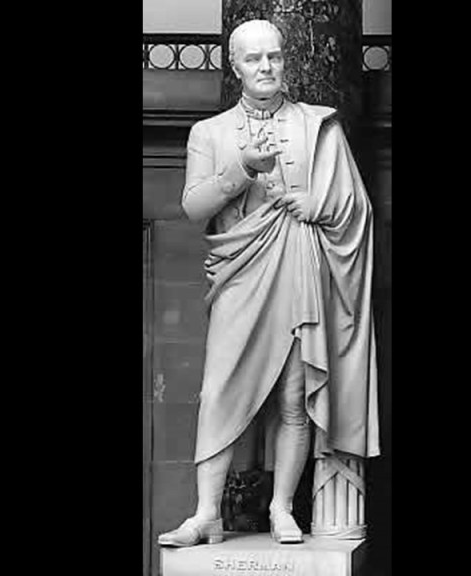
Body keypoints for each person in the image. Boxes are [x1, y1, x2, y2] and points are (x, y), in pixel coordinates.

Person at [158, 19, 379, 548]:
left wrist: (317, 204)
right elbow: (194, 207)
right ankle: (206, 513)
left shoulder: (319, 126)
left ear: (284, 60)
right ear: (234, 66)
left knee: (294, 396)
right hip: (241, 275)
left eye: (274, 57)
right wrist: (241, 168)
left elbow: (357, 207)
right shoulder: (209, 133)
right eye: (254, 59)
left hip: (300, 266)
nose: (266, 67)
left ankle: (282, 508)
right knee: (219, 390)